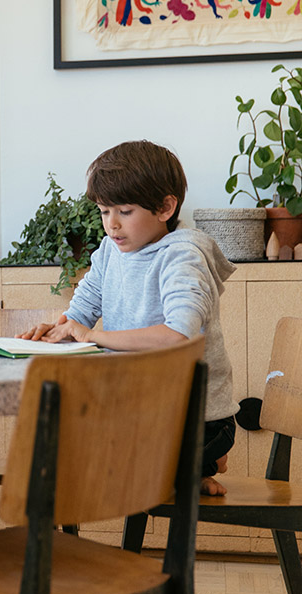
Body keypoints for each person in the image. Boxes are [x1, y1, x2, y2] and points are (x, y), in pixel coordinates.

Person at [17, 140, 238, 496]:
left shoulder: (183, 257)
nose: (112, 225)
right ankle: (197, 467)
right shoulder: (110, 252)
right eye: (104, 212)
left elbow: (178, 337)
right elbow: (83, 307)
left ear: (166, 207)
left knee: (120, 468)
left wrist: (92, 336)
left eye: (125, 211)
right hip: (140, 409)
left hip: (196, 419)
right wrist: (60, 328)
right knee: (64, 448)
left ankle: (205, 459)